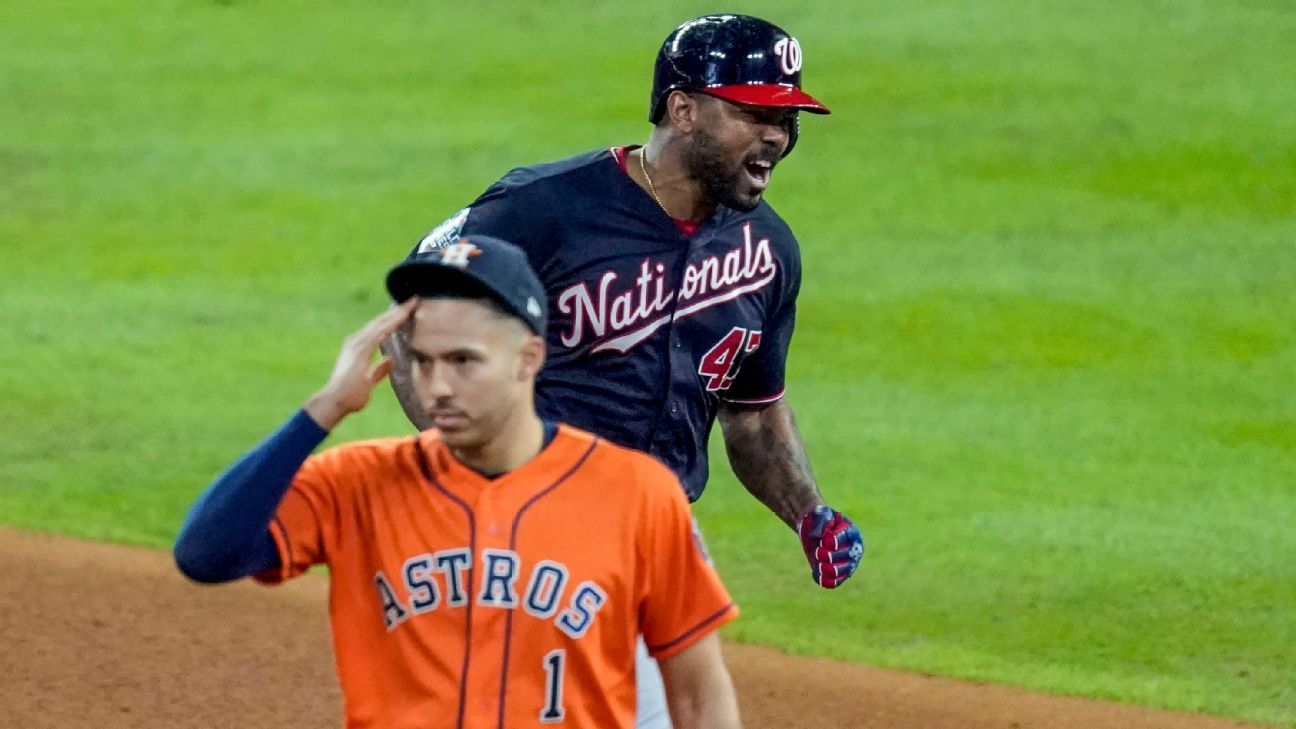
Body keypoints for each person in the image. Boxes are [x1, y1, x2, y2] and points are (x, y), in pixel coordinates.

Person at [385, 15, 865, 727]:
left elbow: (754, 413)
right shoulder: (543, 209)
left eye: (787, 117)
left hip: (659, 535)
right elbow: (412, 325)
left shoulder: (767, 251)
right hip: (528, 536)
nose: (777, 136)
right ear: (683, 107)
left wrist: (809, 514)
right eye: (754, 113)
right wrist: (479, 474)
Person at [173, 236, 743, 729]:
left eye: (463, 361)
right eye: (423, 361)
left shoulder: (636, 495)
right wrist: (321, 411)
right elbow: (206, 553)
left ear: (528, 358)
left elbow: (696, 692)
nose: (437, 387)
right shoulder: (356, 483)